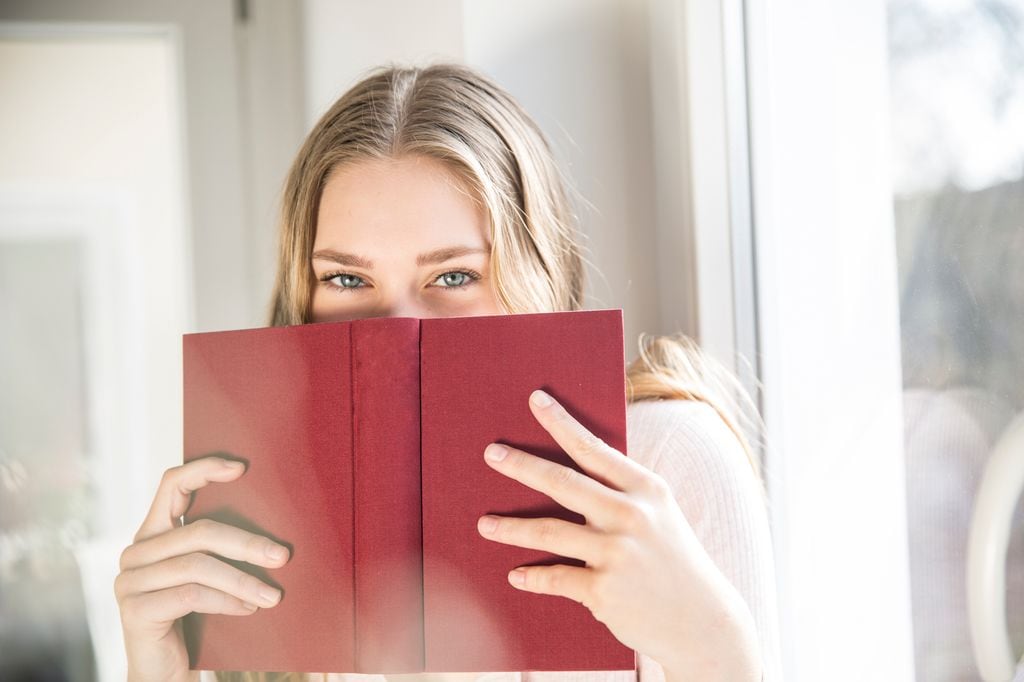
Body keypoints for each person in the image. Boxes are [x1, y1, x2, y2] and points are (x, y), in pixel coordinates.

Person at [114, 63, 781, 682]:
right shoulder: (274, 518)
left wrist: (715, 652)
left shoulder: (667, 458)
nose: (398, 328)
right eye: (346, 277)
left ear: (538, 276)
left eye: (453, 275)